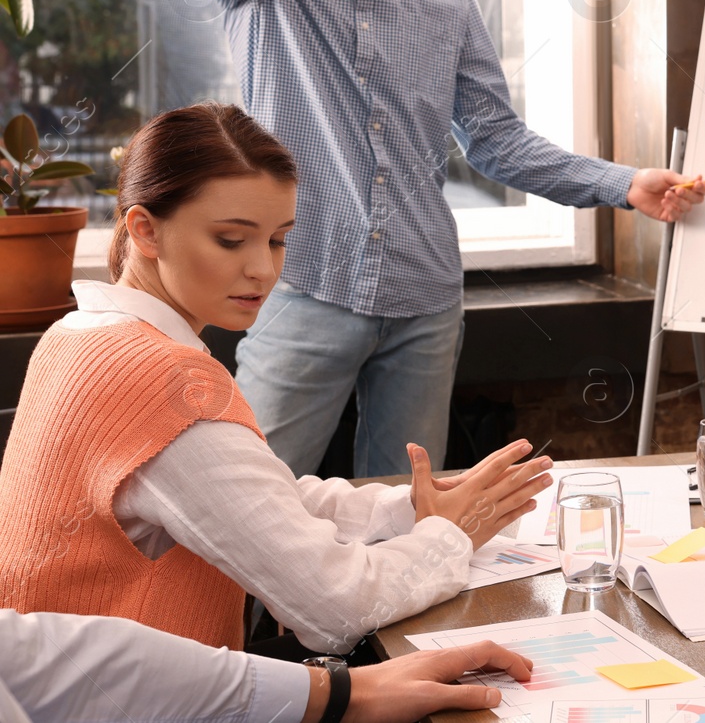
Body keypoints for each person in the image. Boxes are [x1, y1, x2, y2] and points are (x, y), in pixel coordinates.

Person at [178, 0, 705, 478]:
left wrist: (623, 184)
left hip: (424, 301)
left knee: (407, 520)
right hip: (304, 285)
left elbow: (495, 140)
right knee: (249, 509)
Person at [0, 104, 551, 654]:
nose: (263, 268)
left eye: (278, 239)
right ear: (145, 230)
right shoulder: (159, 379)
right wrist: (449, 536)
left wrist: (412, 507)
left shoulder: (79, 335)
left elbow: (258, 498)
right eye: (231, 240)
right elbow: (339, 609)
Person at [2, 608, 530, 723]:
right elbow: (327, 600)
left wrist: (344, 691)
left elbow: (48, 656)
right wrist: (445, 534)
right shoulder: (156, 377)